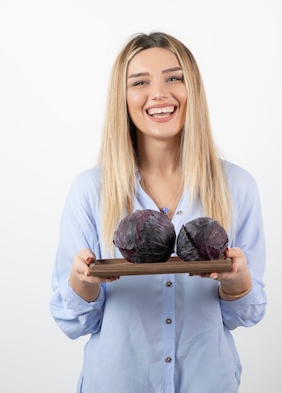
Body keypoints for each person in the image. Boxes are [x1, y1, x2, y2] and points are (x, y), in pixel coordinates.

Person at [49, 31, 267, 393]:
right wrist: (81, 282)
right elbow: (74, 322)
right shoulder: (90, 191)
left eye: (173, 78)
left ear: (191, 89)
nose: (159, 93)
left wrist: (236, 280)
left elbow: (242, 314)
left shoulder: (237, 186)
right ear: (123, 98)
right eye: (140, 82)